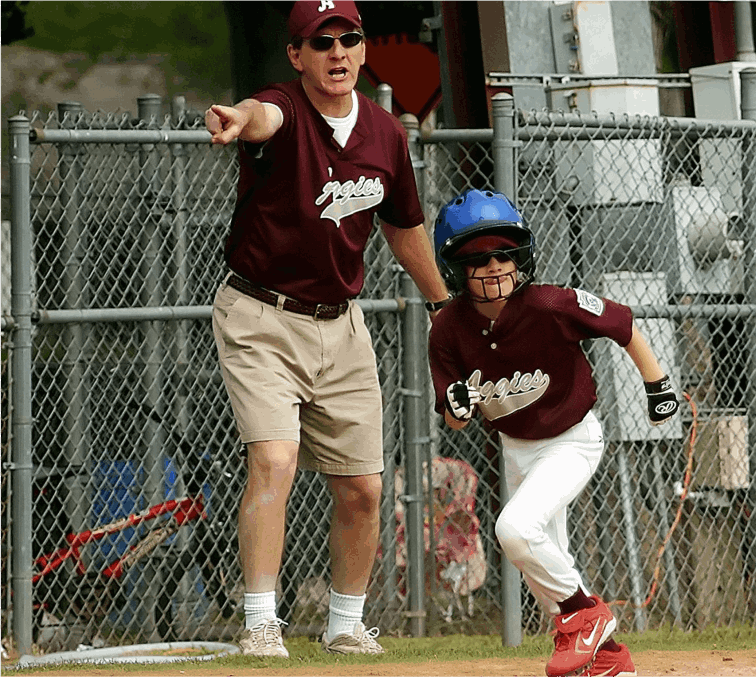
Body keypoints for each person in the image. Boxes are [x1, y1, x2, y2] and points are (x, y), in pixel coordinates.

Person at [204, 0, 451, 659]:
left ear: (364, 50)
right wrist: (238, 118)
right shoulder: (281, 108)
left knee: (364, 487)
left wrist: (442, 306)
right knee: (275, 459)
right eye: (320, 42)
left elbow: (403, 229)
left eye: (349, 39)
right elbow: (264, 116)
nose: (336, 53)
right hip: (260, 315)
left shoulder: (385, 134)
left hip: (340, 325)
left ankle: (345, 623)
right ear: (297, 56)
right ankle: (261, 621)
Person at [428, 188, 680, 677]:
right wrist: (457, 407)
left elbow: (622, 323)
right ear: (456, 270)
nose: (496, 264)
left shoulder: (546, 303)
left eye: (504, 252)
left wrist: (658, 385)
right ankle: (609, 659)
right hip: (516, 448)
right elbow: (453, 416)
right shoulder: (448, 329)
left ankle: (589, 617)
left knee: (514, 531)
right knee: (548, 564)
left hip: (572, 439)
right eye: (478, 257)